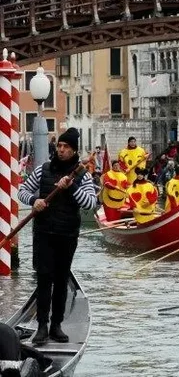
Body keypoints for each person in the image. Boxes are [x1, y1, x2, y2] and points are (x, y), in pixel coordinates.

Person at [18, 127, 98, 345]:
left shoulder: (82, 175)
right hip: (43, 233)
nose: (61, 150)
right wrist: (34, 200)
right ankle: (42, 326)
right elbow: (22, 191)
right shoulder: (43, 170)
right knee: (44, 279)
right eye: (59, 146)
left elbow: (91, 203)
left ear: (73, 151)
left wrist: (71, 188)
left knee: (61, 281)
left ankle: (56, 325)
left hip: (67, 234)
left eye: (66, 147)